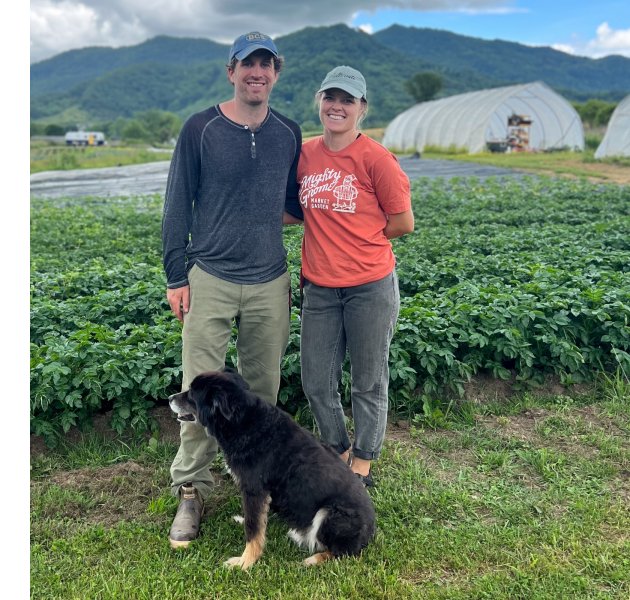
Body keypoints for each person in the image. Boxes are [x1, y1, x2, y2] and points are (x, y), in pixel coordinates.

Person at [161, 31, 302, 548]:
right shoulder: (201, 128)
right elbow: (178, 203)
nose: (256, 73)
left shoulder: (288, 131)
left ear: (276, 73)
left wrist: (258, 226)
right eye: (247, 64)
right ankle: (192, 492)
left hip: (270, 280)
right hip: (210, 280)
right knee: (200, 389)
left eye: (266, 64)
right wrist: (177, 275)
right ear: (231, 71)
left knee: (261, 396)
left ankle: (257, 492)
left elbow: (294, 202)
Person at [297, 66, 414, 488]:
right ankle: (338, 448)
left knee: (368, 379)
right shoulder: (306, 154)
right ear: (320, 101)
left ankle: (362, 462)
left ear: (362, 108)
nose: (337, 106)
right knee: (315, 380)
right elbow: (295, 211)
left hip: (370, 287)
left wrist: (359, 243)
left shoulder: (376, 159)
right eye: (331, 97)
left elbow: (402, 222)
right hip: (320, 288)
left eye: (348, 100)